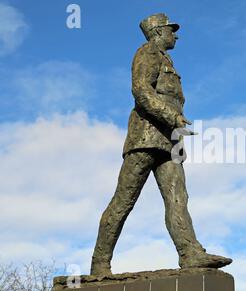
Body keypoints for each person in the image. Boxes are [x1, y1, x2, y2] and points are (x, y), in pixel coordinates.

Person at [90, 13, 232, 276]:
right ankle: (100, 263)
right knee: (124, 200)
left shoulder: (168, 61)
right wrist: (172, 116)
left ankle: (190, 254)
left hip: (169, 139)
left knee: (178, 198)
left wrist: (175, 126)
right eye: (170, 30)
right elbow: (141, 90)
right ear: (157, 32)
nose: (175, 35)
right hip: (145, 137)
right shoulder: (147, 53)